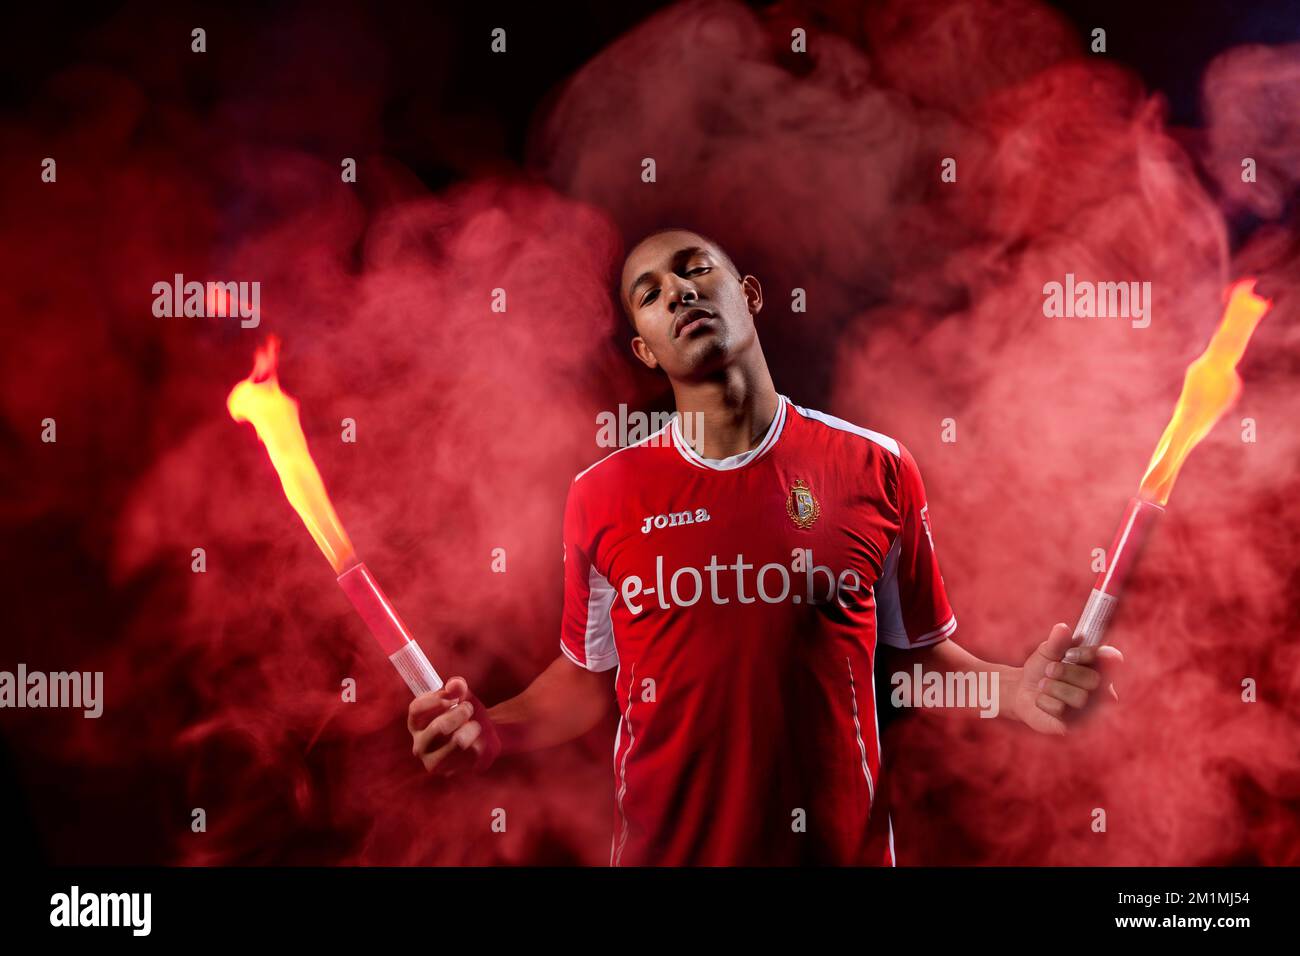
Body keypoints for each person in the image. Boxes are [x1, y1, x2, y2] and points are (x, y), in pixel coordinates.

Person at [407, 227, 1122, 865]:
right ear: (645, 349)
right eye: (650, 293)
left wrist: (1016, 691)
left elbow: (918, 667)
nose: (679, 290)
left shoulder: (876, 466)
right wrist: (490, 730)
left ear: (747, 295)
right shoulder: (602, 492)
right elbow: (587, 682)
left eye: (695, 270)